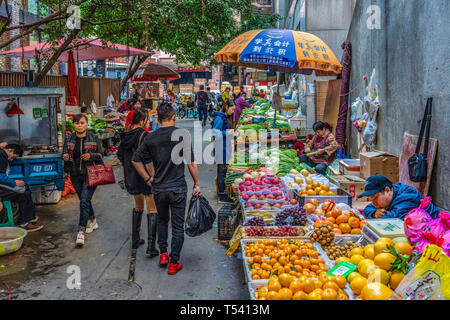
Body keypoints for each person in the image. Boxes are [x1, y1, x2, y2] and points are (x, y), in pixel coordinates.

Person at [132, 103, 201, 275]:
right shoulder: (182, 135)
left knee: (162, 221)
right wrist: (197, 183)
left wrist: (148, 179)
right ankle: (174, 262)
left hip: (159, 188)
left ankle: (163, 254)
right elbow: (191, 163)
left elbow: (135, 160)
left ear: (159, 119)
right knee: (177, 227)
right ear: (173, 118)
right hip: (177, 188)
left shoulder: (150, 137)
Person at [117, 109, 159, 257]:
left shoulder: (124, 135)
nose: (148, 122)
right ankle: (151, 246)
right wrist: (153, 177)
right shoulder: (144, 135)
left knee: (138, 206)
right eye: (147, 119)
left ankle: (135, 239)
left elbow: (121, 158)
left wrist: (125, 177)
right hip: (144, 176)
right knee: (152, 208)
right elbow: (147, 159)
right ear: (142, 121)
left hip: (130, 176)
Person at [62, 114, 103, 247]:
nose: (79, 125)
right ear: (73, 125)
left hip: (91, 174)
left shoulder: (94, 138)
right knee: (84, 200)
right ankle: (92, 219)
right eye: (77, 123)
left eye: (82, 123)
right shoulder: (68, 139)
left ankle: (81, 230)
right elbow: (63, 153)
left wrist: (91, 155)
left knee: (84, 200)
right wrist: (65, 156)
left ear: (86, 124)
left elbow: (101, 155)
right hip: (74, 174)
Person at [0, 143, 43, 231]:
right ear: (10, 150)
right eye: (13, 157)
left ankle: (29, 216)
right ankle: (24, 224)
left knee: (26, 187)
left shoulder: (2, 154)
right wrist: (14, 182)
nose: (12, 160)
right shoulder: (1, 156)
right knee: (24, 194)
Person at [359, 175, 440, 220]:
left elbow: (389, 219)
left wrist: (377, 216)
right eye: (370, 200)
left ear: (387, 190)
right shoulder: (388, 196)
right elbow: (366, 210)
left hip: (434, 232)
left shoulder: (407, 197)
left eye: (375, 198)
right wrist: (374, 214)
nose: (374, 203)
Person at [212, 102, 235, 203]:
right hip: (220, 147)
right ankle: (221, 195)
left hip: (225, 147)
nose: (233, 111)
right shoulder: (219, 118)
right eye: (232, 109)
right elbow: (215, 133)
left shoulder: (225, 117)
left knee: (224, 171)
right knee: (221, 172)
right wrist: (227, 132)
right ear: (226, 107)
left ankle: (223, 193)